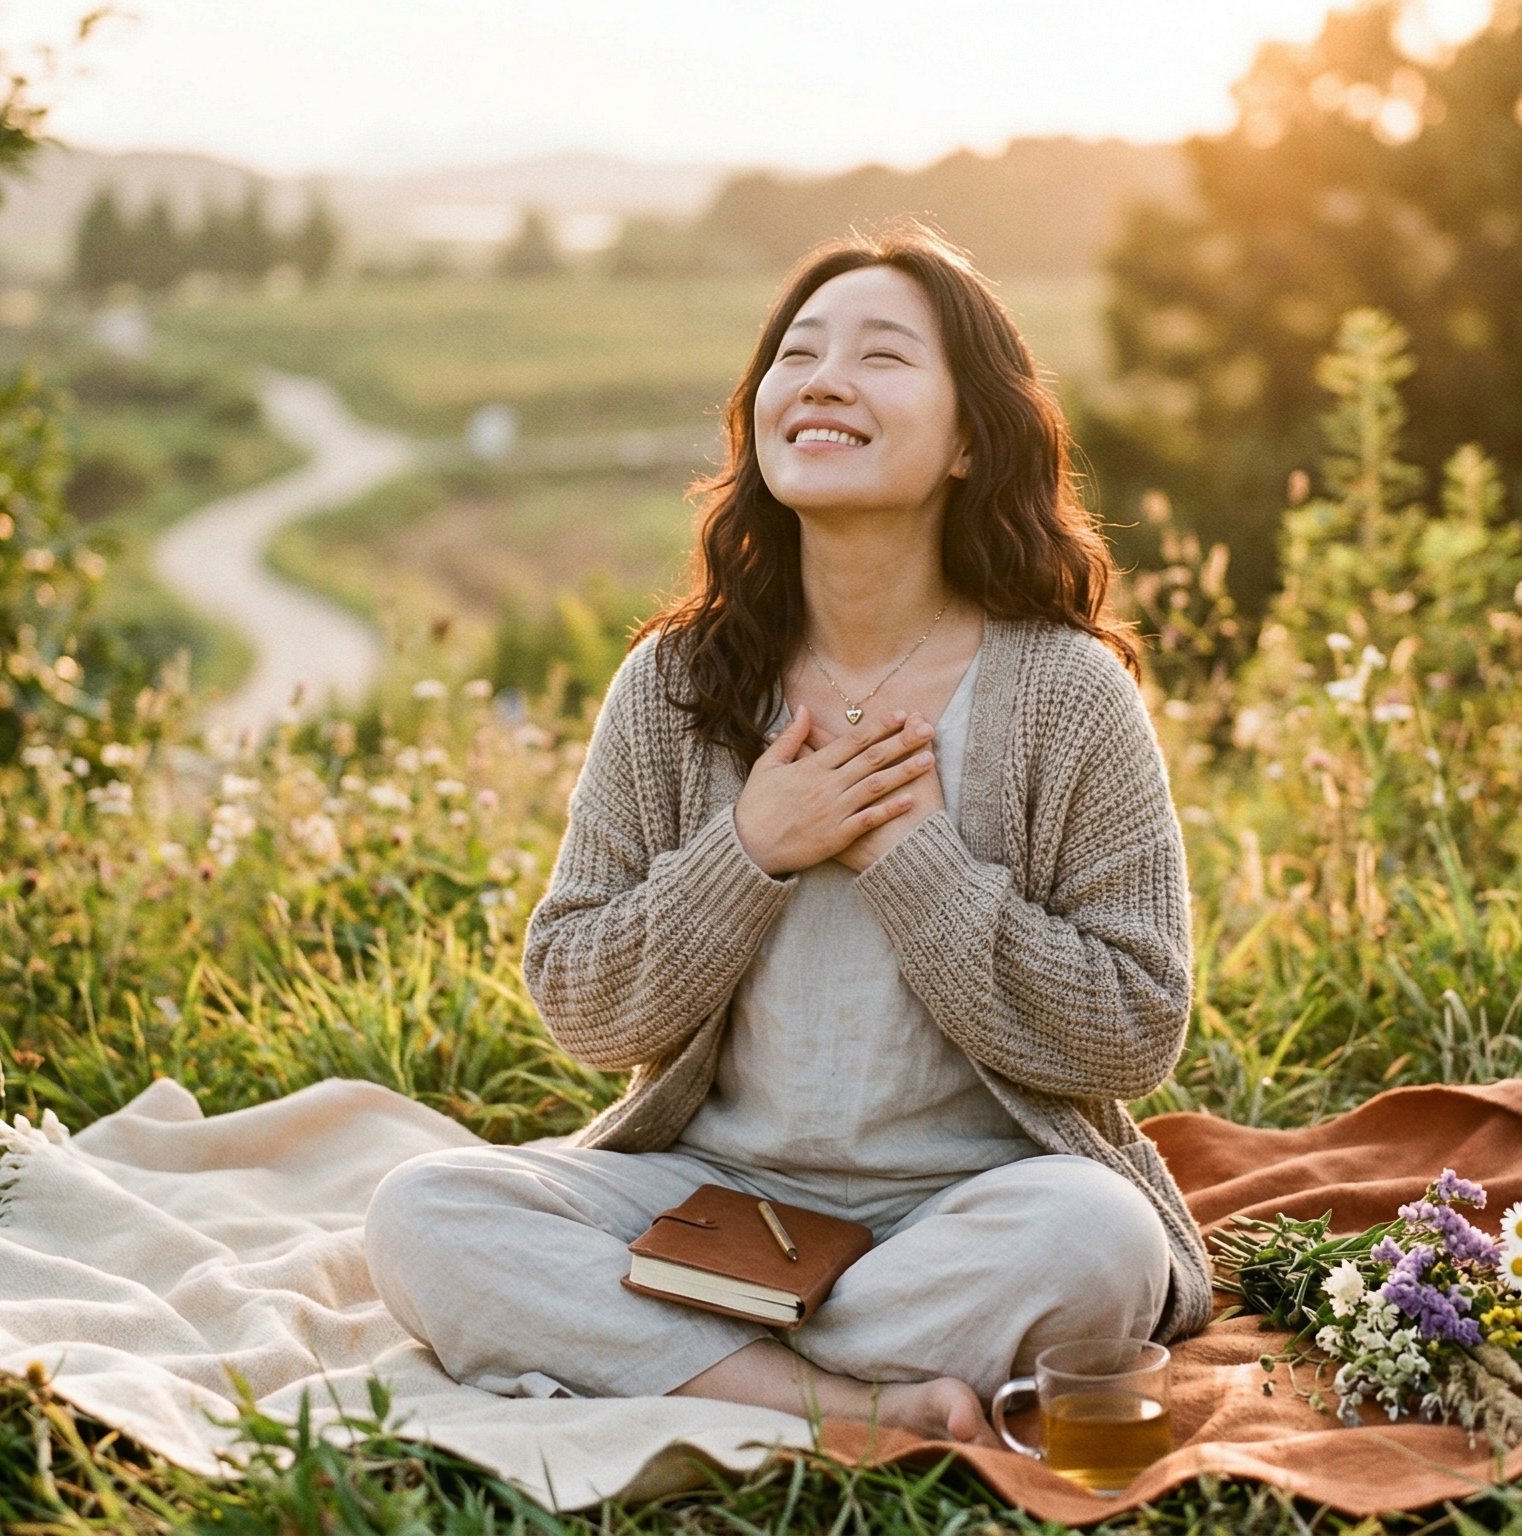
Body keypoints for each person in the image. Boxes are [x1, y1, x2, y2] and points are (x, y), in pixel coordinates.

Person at [364, 226, 1207, 1444]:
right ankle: (844, 1401)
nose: (821, 380)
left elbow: (1133, 1029)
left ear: (971, 437)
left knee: (1101, 1241)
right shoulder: (674, 685)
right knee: (421, 1213)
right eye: (796, 353)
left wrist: (910, 859)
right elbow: (581, 1006)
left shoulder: (1064, 693)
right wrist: (747, 849)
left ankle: (689, 1367)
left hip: (967, 1203)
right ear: (758, 414)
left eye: (880, 356)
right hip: (715, 1200)